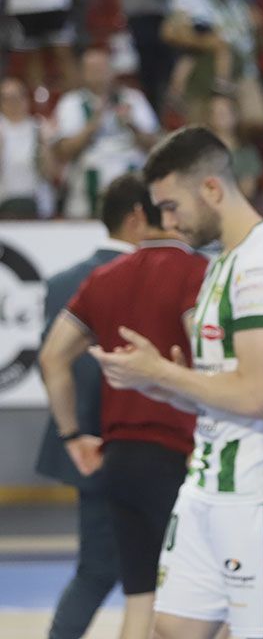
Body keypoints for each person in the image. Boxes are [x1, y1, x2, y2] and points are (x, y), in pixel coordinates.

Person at [90, 126, 263, 639]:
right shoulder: (223, 263)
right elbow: (220, 387)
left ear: (213, 190)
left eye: (172, 207)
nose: (166, 223)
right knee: (171, 626)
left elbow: (256, 396)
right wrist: (157, 383)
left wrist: (164, 373)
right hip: (210, 477)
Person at [40, 175, 206, 639]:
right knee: (204, 601)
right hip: (177, 456)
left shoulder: (103, 278)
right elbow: (211, 360)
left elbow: (52, 357)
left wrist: (72, 434)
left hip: (119, 457)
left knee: (140, 597)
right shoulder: (197, 272)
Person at [34, 176, 144, 639]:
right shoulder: (143, 277)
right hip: (138, 446)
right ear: (138, 215)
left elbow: (54, 364)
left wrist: (71, 432)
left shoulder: (62, 282)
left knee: (104, 568)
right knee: (133, 574)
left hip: (83, 442)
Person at [162, 0, 263, 130]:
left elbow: (260, 44)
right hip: (203, 76)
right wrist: (206, 43)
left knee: (256, 119)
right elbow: (169, 33)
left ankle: (236, 150)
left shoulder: (240, 5)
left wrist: (260, 28)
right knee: (200, 130)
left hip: (242, 72)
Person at [53, 47, 161, 220]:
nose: (99, 74)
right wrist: (92, 125)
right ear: (83, 73)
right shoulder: (71, 103)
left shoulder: (133, 98)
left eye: (102, 68)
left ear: (112, 70)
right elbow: (63, 152)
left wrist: (132, 125)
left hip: (130, 188)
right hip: (86, 192)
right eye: (93, 69)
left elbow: (157, 146)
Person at [0, 76, 53, 217]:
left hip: (34, 202)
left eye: (17, 98)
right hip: (4, 201)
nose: (13, 104)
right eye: (7, 99)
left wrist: (44, 149)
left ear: (25, 99)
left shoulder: (39, 128)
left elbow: (50, 173)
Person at [203, 92, 263, 201]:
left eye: (224, 111)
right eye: (215, 112)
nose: (220, 116)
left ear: (235, 115)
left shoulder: (246, 151)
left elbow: (248, 189)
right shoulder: (202, 150)